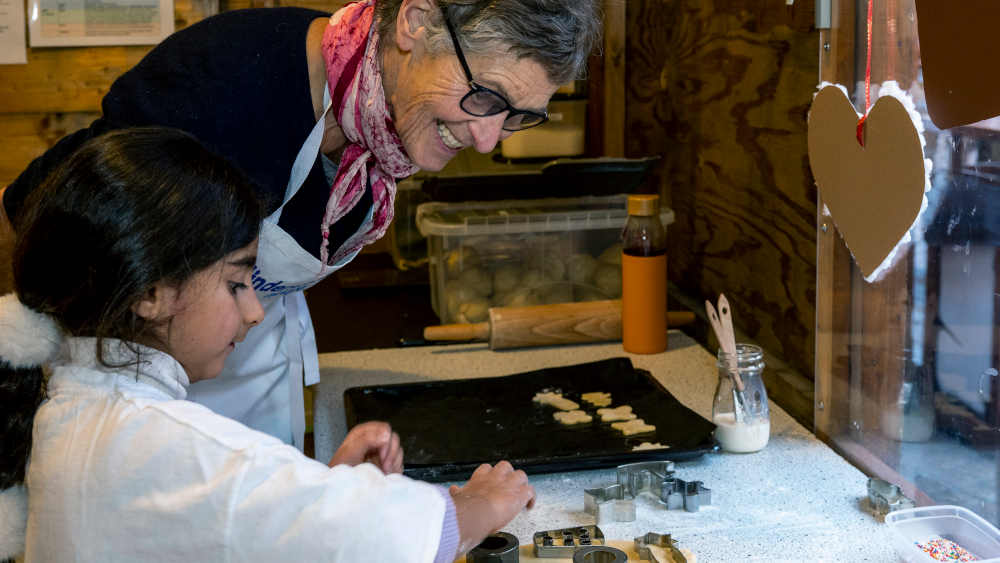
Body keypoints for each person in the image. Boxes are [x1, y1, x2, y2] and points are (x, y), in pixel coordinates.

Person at [1, 0, 603, 451]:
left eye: (520, 116)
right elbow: (41, 211)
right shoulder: (225, 84)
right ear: (415, 22)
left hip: (256, 383)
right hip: (135, 408)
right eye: (487, 96)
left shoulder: (381, 131)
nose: (490, 138)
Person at [0, 128, 535, 561]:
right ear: (150, 293)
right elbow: (388, 537)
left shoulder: (74, 407)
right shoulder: (160, 441)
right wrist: (478, 505)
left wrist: (327, 487)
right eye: (237, 283)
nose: (255, 312)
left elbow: (227, 526)